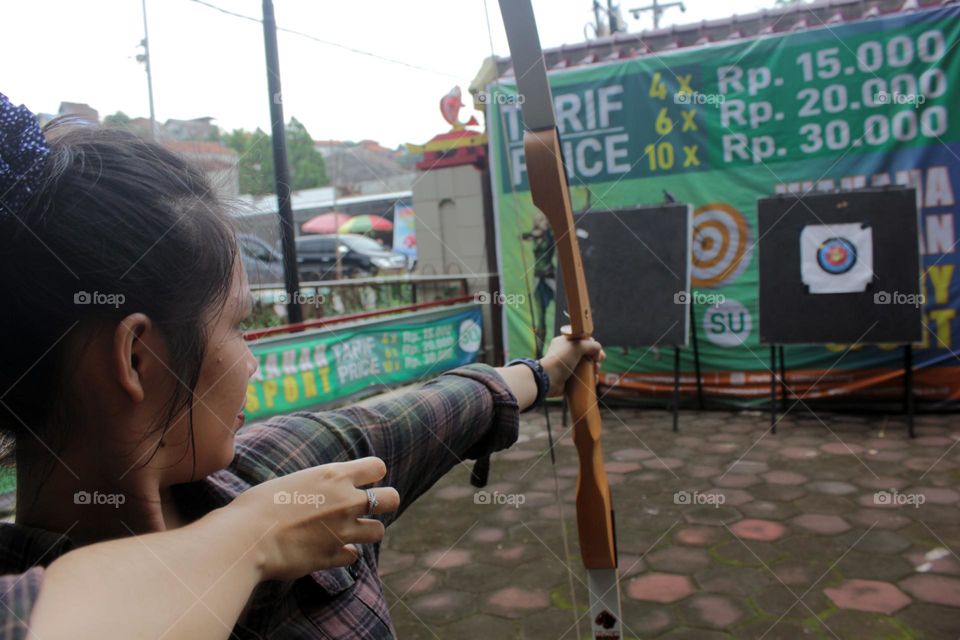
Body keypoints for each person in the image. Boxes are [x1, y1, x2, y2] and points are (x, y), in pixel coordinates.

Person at [0, 92, 604, 639]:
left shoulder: (279, 468)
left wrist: (550, 368)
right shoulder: (27, 599)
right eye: (238, 325)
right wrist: (250, 539)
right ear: (138, 358)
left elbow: (445, 406)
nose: (252, 362)